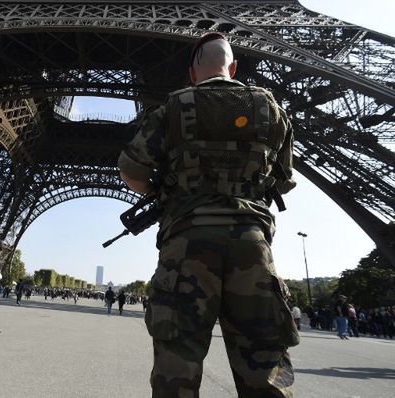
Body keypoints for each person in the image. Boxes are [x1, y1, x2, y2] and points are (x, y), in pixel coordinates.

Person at [118, 32, 299, 397]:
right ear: (233, 68)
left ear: (192, 73)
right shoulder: (269, 108)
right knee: (264, 367)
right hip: (251, 245)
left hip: (187, 243)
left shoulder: (173, 107)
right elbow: (283, 180)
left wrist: (161, 192)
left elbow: (131, 171)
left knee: (176, 367)